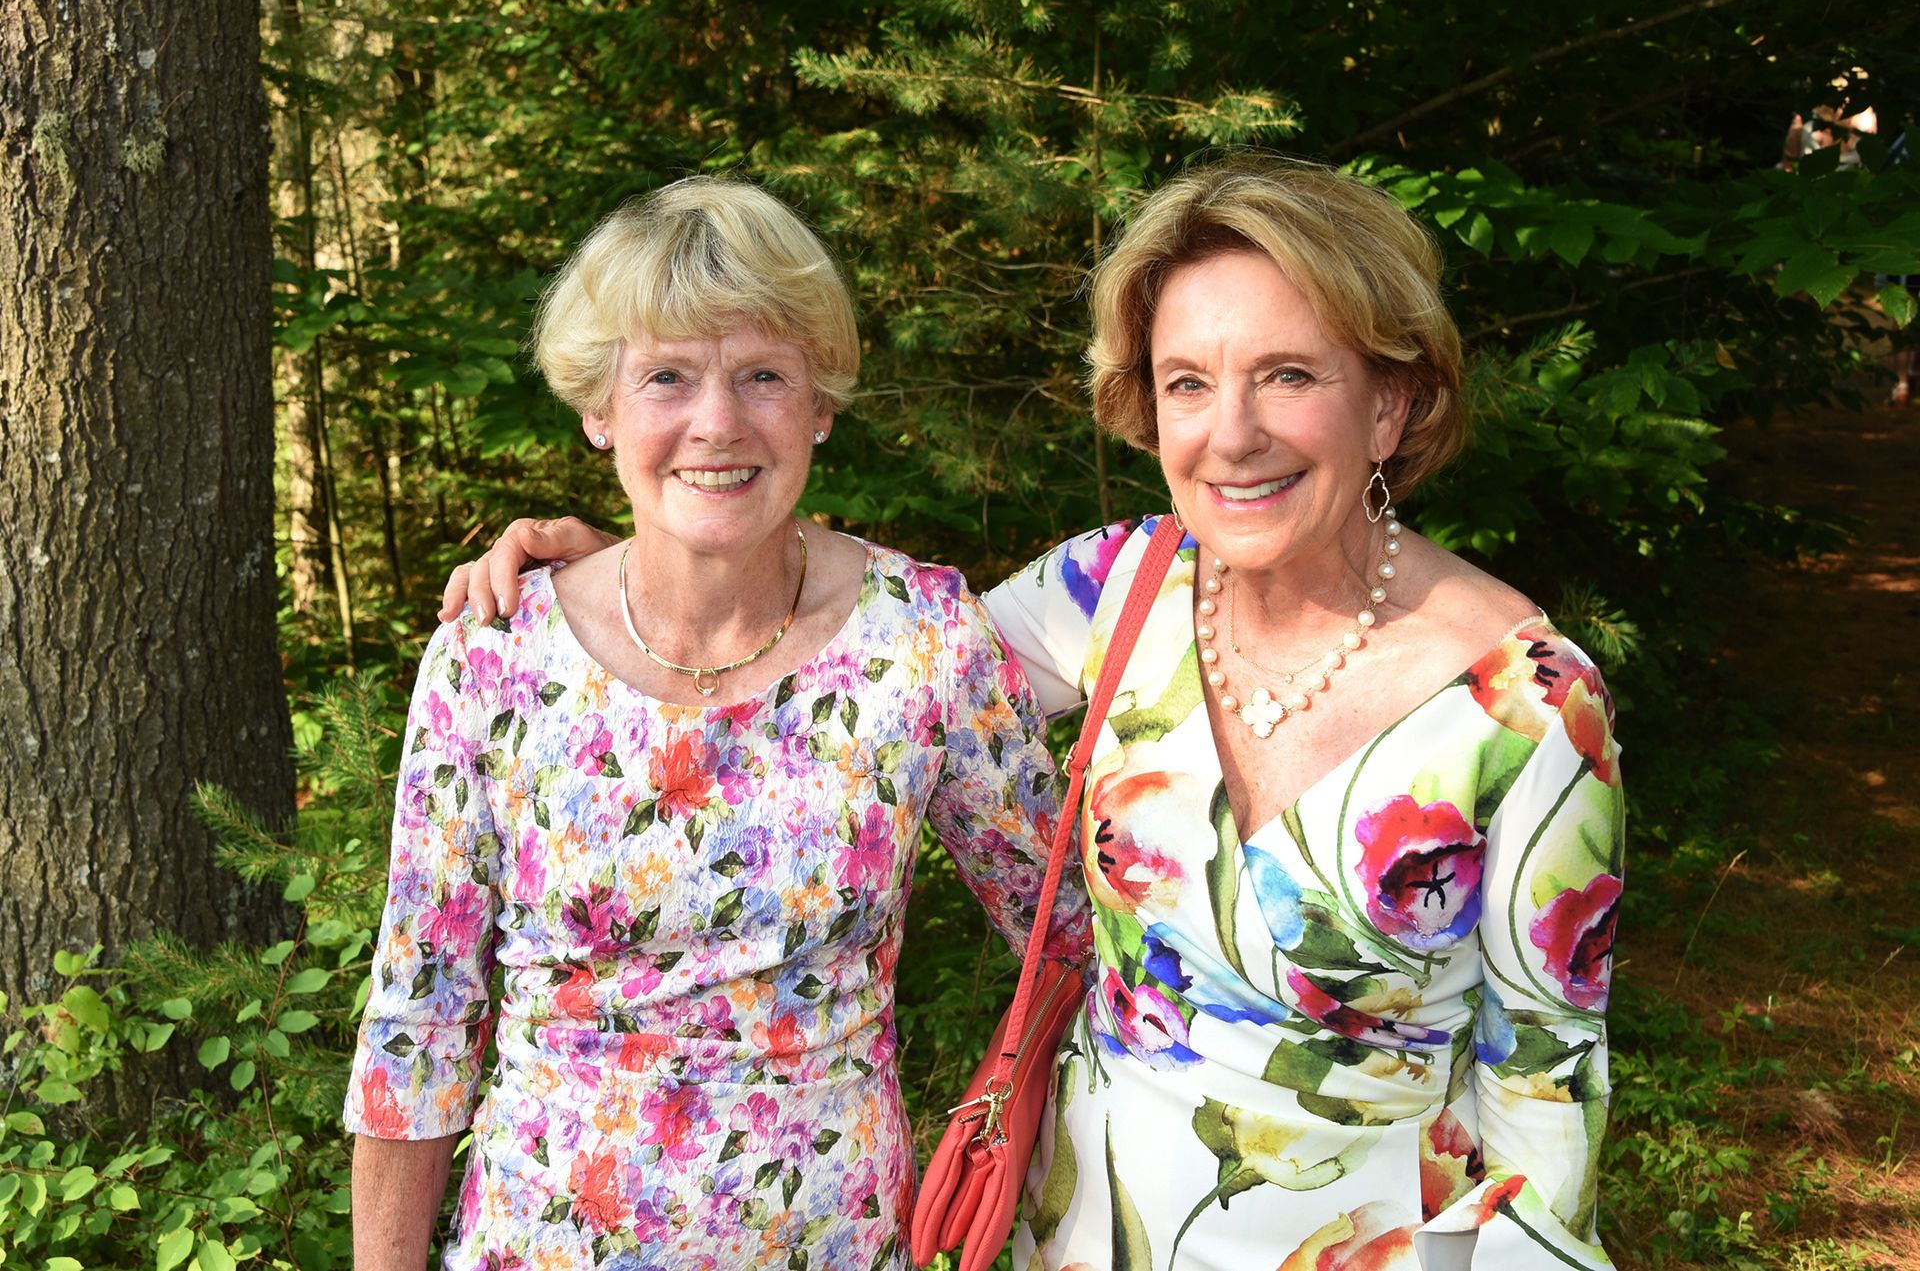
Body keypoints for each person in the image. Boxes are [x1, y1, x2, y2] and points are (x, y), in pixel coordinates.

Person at [451, 156, 1625, 1270]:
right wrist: (638, 577)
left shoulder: (1530, 707)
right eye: (1188, 383)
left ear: (1390, 404)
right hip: (1078, 1230)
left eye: (1290, 374)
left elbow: (1546, 1089)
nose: (1233, 432)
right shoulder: (1118, 588)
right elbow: (845, 656)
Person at [347, 176, 1089, 1271]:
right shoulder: (494, 657)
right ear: (599, 408)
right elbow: (419, 1024)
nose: (718, 421)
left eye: (762, 377)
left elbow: (1069, 937)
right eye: (666, 376)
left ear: (822, 403)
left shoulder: (922, 641)